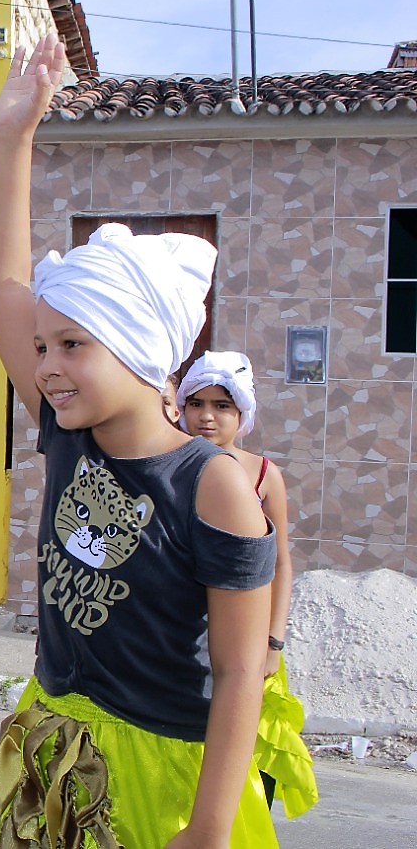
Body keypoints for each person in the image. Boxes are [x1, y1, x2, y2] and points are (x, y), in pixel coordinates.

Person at [0, 37, 278, 848]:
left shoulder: (214, 482)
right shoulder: (69, 435)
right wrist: (13, 136)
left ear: (140, 353)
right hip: (54, 738)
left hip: (160, 766)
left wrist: (206, 829)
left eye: (73, 346)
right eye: (45, 344)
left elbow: (239, 674)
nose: (49, 366)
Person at [177, 351, 319, 819]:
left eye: (222, 406)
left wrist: (273, 644)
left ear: (243, 414)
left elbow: (281, 563)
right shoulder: (168, 466)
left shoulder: (262, 475)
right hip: (180, 637)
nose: (206, 416)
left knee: (243, 752)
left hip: (245, 639)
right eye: (196, 403)